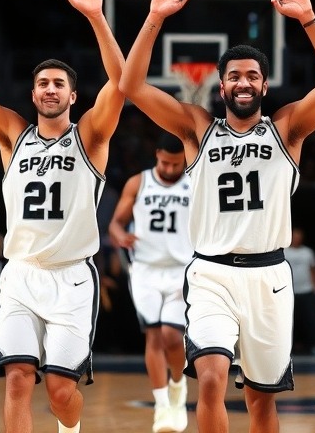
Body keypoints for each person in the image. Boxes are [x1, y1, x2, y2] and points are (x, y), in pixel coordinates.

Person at [119, 0, 315, 433]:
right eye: (234, 76)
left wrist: (308, 20)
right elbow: (131, 87)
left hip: (269, 277)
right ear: (221, 87)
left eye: (252, 76)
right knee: (210, 380)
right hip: (211, 274)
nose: (243, 82)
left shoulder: (287, 128)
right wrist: (153, 19)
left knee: (261, 403)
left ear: (264, 86)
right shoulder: (197, 129)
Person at [0, 0, 127, 433]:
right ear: (33, 93)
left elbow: (122, 83)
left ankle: (70, 428)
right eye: (43, 83)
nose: (49, 89)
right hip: (21, 274)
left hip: (72, 279)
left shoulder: (90, 137)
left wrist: (96, 18)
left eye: (59, 84)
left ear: (73, 97)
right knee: (18, 379)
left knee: (62, 392)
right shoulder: (12, 134)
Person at [108, 130, 192, 433]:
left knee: (173, 336)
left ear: (185, 160)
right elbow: (115, 223)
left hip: (182, 270)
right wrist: (120, 236)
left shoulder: (195, 181)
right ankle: (162, 406)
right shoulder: (138, 182)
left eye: (176, 164)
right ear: (157, 155)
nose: (170, 169)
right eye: (165, 163)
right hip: (145, 270)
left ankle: (178, 385)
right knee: (154, 337)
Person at [284, 226, 315, 358]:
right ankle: (287, 350)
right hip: (290, 292)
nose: (297, 239)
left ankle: (314, 346)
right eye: (295, 236)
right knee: (289, 322)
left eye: (299, 236)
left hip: (307, 291)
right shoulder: (284, 251)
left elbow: (314, 270)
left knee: (310, 321)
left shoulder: (308, 252)